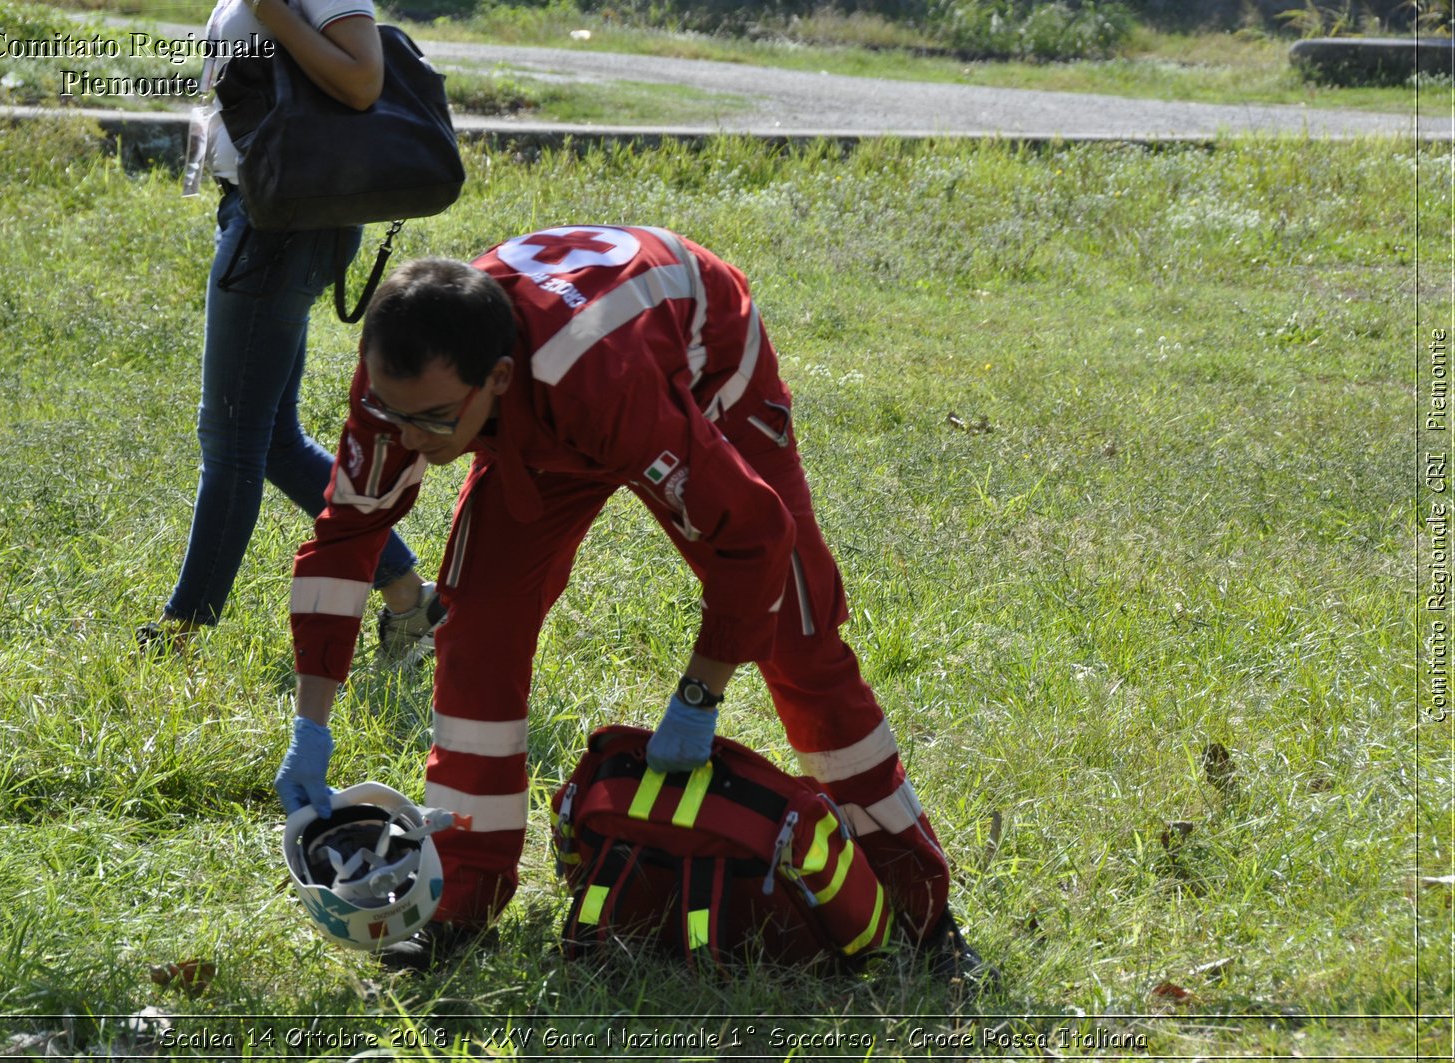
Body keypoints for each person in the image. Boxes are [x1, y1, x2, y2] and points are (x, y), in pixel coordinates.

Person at [273, 224, 984, 979]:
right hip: (550, 397)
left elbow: (754, 534)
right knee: (477, 622)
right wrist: (309, 726)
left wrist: (699, 692)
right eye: (395, 416)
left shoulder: (604, 387)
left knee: (797, 634)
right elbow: (344, 538)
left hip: (696, 364)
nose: (411, 440)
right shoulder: (402, 378)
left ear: (500, 379)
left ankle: (920, 906)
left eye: (437, 421)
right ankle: (461, 894)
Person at [139, 0, 440, 663]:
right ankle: (411, 597)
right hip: (259, 208)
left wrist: (276, 13)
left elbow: (363, 79)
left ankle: (180, 634)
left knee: (231, 439)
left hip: (284, 223)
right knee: (272, 441)